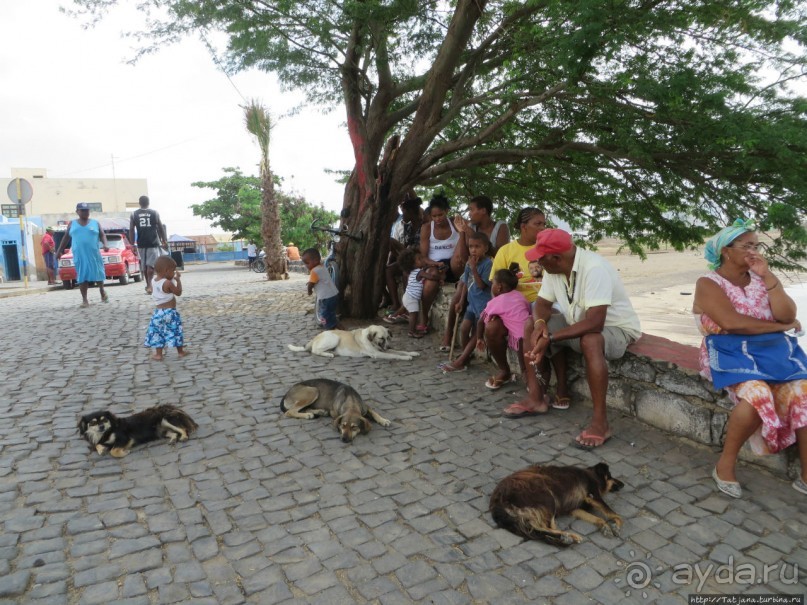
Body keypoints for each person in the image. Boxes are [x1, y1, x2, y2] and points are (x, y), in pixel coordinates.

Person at [693, 219, 807, 498]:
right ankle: (724, 465)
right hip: (729, 352)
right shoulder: (708, 283)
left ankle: (806, 476)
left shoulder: (762, 279)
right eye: (746, 246)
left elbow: (787, 315)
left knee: (803, 392)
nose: (753, 251)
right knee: (757, 393)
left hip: (769, 351)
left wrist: (769, 278)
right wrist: (780, 328)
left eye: (756, 245)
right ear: (725, 251)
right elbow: (732, 323)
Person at [512, 229, 641, 450]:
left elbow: (595, 323)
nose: (538, 263)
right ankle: (536, 398)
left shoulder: (594, 269)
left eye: (541, 258)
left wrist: (550, 338)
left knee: (591, 340)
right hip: (578, 324)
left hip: (615, 330)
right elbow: (542, 304)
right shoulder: (555, 270)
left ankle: (601, 424)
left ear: (556, 258)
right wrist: (541, 326)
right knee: (529, 325)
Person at [439, 195, 511, 351]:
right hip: (472, 270)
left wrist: (470, 231)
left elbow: (499, 253)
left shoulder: (500, 227)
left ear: (483, 211)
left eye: (472, 209)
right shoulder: (471, 227)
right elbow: (464, 257)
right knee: (457, 296)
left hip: (490, 272)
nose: (469, 214)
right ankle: (448, 335)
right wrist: (462, 233)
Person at [439, 232, 494, 372]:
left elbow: (482, 285)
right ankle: (466, 355)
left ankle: (462, 359)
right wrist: (461, 301)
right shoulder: (469, 263)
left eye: (477, 246)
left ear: (485, 248)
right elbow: (464, 283)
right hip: (471, 303)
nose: (473, 250)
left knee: (477, 333)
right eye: (471, 247)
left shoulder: (488, 264)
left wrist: (475, 269)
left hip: (483, 306)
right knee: (464, 329)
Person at [478, 268, 532, 388]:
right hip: (529, 330)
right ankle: (530, 384)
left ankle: (529, 385)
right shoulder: (519, 296)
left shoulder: (497, 302)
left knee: (524, 366)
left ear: (499, 287)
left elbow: (481, 320)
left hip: (519, 338)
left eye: (493, 283)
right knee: (527, 365)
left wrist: (479, 338)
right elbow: (527, 310)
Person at [418, 194, 462, 332]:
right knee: (431, 281)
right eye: (434, 216)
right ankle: (424, 316)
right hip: (435, 266)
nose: (437, 219)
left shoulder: (456, 223)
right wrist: (435, 264)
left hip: (456, 265)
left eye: (440, 215)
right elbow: (423, 257)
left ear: (447, 211)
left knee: (458, 259)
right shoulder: (426, 228)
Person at [55, 203, 110, 308]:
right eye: (83, 210)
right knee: (82, 276)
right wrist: (59, 251)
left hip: (94, 254)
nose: (86, 212)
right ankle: (85, 300)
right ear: (77, 212)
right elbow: (65, 238)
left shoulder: (95, 223)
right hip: (79, 255)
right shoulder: (72, 224)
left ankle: (102, 291)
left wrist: (105, 244)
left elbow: (102, 235)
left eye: (87, 210)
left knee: (98, 274)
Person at [385, 248, 440, 339]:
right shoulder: (420, 272)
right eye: (419, 259)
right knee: (414, 315)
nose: (422, 260)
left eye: (422, 258)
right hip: (412, 298)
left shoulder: (413, 271)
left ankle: (392, 316)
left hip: (408, 296)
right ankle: (411, 331)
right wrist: (439, 277)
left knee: (410, 312)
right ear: (413, 264)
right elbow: (431, 276)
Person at [384, 196, 424, 315]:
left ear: (411, 212)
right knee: (388, 270)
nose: (403, 215)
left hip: (418, 260)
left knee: (406, 272)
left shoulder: (423, 227)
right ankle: (396, 303)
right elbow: (406, 247)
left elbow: (419, 250)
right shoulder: (408, 227)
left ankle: (407, 306)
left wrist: (396, 243)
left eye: (404, 212)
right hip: (408, 258)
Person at [144, 255, 188, 361]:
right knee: (176, 331)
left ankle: (158, 354)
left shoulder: (154, 281)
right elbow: (178, 293)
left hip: (158, 313)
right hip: (170, 312)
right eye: (173, 271)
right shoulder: (168, 283)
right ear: (166, 270)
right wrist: (178, 280)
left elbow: (154, 290)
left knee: (158, 333)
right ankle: (180, 352)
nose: (174, 273)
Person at [129, 195, 168, 295]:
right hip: (153, 242)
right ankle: (150, 285)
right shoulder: (154, 213)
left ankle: (148, 285)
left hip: (141, 243)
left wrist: (132, 244)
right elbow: (160, 227)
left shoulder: (134, 214)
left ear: (139, 203)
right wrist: (164, 240)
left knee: (145, 266)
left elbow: (131, 230)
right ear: (148, 202)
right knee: (150, 266)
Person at [301, 247, 341, 330]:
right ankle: (341, 328)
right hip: (334, 295)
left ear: (315, 260)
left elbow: (311, 284)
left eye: (307, 263)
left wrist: (309, 291)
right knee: (331, 315)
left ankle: (328, 330)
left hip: (326, 298)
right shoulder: (322, 267)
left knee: (324, 315)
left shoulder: (314, 271)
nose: (306, 266)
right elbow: (320, 279)